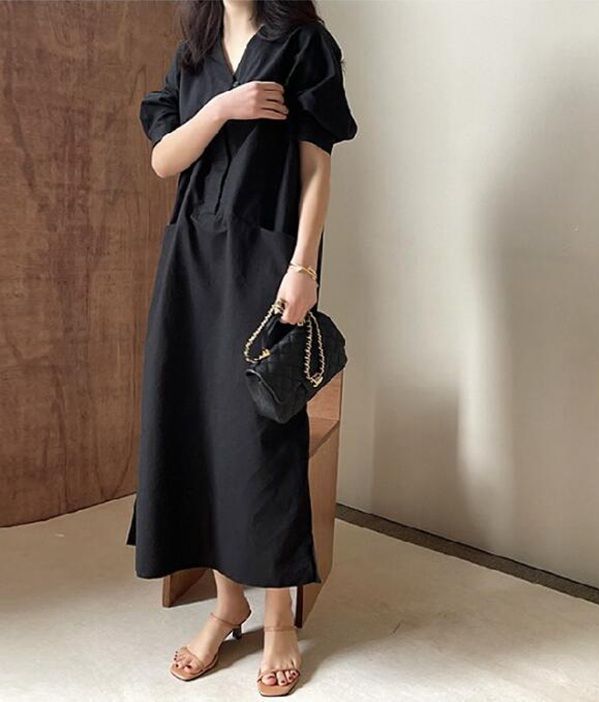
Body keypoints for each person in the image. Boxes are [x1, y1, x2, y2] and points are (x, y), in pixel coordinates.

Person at [125, 0, 358, 695]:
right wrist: (223, 107)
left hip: (267, 257)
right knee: (199, 430)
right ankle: (229, 605)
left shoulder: (304, 44)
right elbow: (164, 159)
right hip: (191, 260)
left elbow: (316, 168)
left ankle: (279, 616)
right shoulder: (193, 54)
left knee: (262, 437)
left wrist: (303, 266)